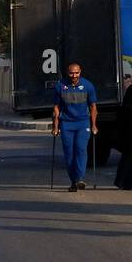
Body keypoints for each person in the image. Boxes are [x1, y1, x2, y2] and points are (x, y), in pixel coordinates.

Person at [52, 63, 98, 192]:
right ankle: (73, 180)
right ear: (68, 73)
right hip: (67, 123)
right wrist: (56, 126)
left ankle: (80, 179)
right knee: (69, 154)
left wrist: (94, 125)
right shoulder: (60, 85)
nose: (74, 76)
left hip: (83, 123)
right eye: (72, 73)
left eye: (76, 73)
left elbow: (93, 107)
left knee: (80, 149)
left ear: (80, 72)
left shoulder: (87, 85)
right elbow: (56, 107)